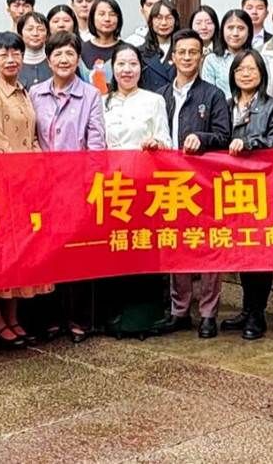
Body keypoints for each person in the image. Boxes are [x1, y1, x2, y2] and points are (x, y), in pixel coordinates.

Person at [153, 29, 231, 339]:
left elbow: (224, 136)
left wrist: (203, 138)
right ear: (172, 57)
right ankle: (180, 311)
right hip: (169, 181)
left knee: (209, 247)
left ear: (201, 57)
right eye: (181, 52)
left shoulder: (213, 95)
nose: (187, 57)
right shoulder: (159, 95)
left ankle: (209, 313)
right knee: (176, 246)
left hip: (204, 182)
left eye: (193, 52)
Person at [30, 32, 106, 341]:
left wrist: (89, 184)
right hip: (43, 186)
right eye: (58, 54)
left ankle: (79, 320)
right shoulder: (35, 93)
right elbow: (31, 136)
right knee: (47, 252)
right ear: (48, 60)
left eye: (70, 54)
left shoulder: (90, 95)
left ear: (78, 59)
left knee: (78, 251)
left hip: (78, 185)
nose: (64, 60)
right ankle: (51, 318)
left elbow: (97, 143)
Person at [0, 32, 50, 348]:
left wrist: (39, 167)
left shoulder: (25, 91)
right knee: (1, 254)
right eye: (4, 54)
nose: (11, 60)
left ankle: (14, 316)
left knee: (22, 252)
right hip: (4, 184)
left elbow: (33, 137)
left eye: (16, 53)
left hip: (29, 183)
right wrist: (22, 172)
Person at [218, 50, 273, 340]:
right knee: (240, 251)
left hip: (262, 189)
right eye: (240, 69)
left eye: (252, 69)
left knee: (260, 252)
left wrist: (250, 142)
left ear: (262, 73)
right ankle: (246, 309)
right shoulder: (225, 105)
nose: (246, 74)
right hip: (230, 188)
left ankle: (257, 313)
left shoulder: (272, 107)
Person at [101, 42, 171, 339]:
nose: (127, 70)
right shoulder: (102, 102)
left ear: (141, 68)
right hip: (112, 187)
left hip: (145, 186)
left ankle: (145, 318)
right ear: (112, 69)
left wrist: (157, 144)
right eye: (121, 64)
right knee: (117, 249)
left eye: (132, 64)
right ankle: (116, 317)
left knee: (144, 248)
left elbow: (167, 140)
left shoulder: (154, 100)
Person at [201, 9, 253, 98]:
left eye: (241, 28)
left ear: (249, 32)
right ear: (222, 30)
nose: (235, 33)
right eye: (230, 28)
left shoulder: (258, 59)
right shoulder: (212, 60)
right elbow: (208, 95)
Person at [81, 0, 124, 93]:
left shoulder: (127, 51)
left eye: (112, 14)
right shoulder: (80, 50)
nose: (107, 19)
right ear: (92, 18)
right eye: (101, 14)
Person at [17, 12, 50, 89]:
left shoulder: (55, 61)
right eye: (30, 29)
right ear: (20, 33)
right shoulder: (13, 63)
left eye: (40, 29)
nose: (35, 34)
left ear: (47, 35)